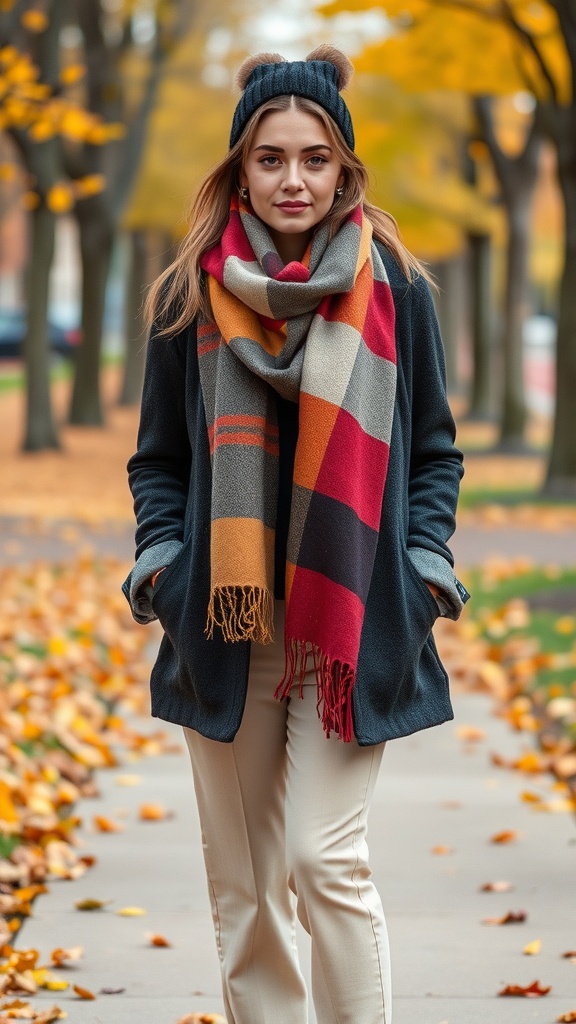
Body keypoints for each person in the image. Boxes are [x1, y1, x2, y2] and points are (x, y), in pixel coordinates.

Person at [123, 44, 469, 1024]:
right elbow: (158, 461)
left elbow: (434, 452)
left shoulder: (397, 289)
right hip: (226, 623)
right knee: (246, 893)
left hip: (348, 618)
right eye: (270, 158)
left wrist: (424, 568)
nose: (293, 179)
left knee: (325, 860)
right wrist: (164, 566)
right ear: (239, 169)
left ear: (344, 169)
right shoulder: (186, 296)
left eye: (315, 158)